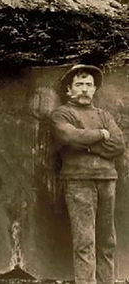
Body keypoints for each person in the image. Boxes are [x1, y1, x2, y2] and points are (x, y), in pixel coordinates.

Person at [51, 64, 124, 284]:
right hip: (78, 181)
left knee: (107, 241)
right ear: (69, 90)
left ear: (94, 89)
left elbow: (118, 144)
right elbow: (70, 137)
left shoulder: (104, 115)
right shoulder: (62, 113)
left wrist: (89, 144)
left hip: (107, 180)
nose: (84, 89)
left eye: (89, 85)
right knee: (85, 242)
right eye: (79, 85)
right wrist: (101, 136)